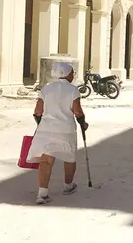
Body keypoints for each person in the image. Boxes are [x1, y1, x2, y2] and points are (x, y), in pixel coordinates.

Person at [28, 63, 89, 205]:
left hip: (46, 128)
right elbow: (77, 111)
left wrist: (40, 124)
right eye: (72, 73)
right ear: (68, 74)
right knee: (69, 157)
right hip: (65, 129)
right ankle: (68, 186)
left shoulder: (46, 89)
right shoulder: (73, 90)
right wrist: (83, 123)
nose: (73, 75)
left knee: (46, 160)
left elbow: (38, 111)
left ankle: (42, 194)